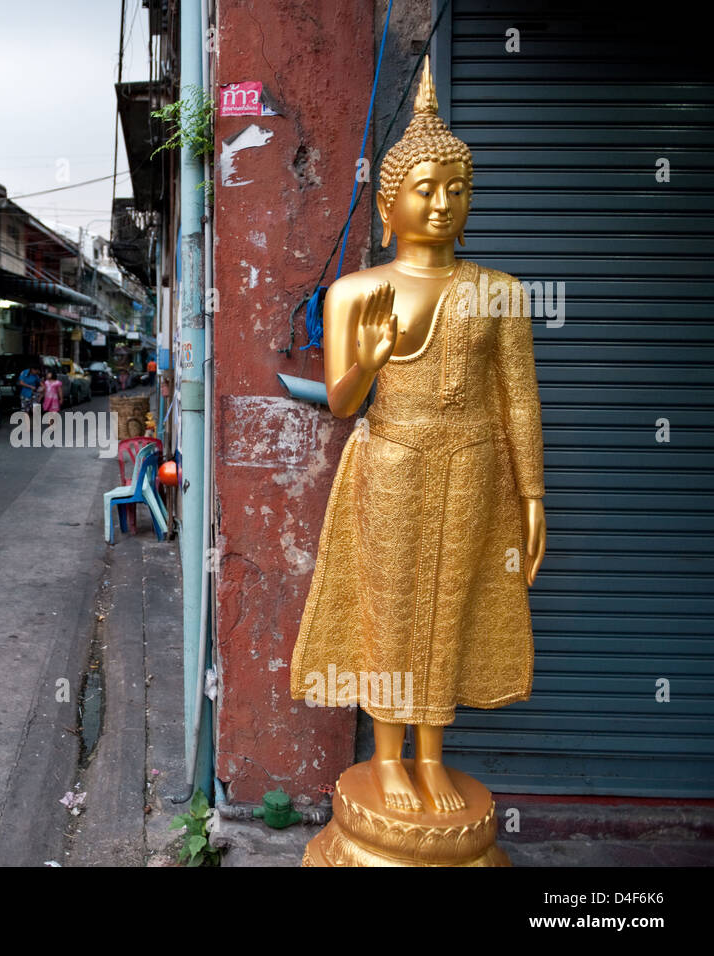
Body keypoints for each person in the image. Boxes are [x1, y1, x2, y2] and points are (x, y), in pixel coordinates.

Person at [288, 60, 545, 815]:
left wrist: (532, 492)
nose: (441, 203)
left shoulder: (499, 291)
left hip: (473, 464)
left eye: (456, 189)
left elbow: (520, 401)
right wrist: (365, 363)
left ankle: (434, 755)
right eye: (424, 189)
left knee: (453, 605)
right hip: (392, 459)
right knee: (392, 605)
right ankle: (389, 754)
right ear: (388, 204)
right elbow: (341, 406)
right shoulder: (357, 292)